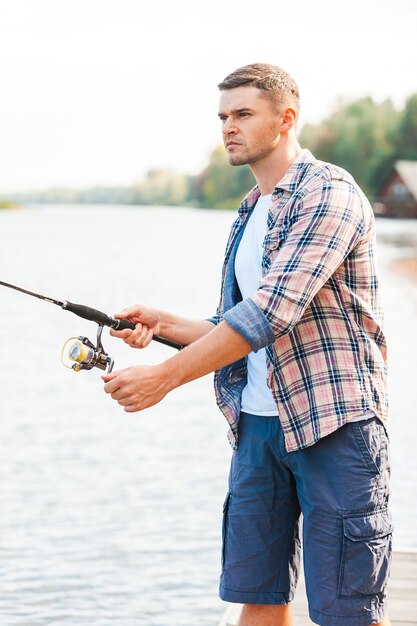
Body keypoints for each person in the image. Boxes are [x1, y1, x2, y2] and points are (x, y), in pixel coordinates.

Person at [102, 63, 392, 626]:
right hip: (259, 427)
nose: (228, 127)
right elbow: (232, 325)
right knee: (258, 594)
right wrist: (163, 323)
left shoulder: (329, 193)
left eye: (242, 114)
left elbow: (269, 315)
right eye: (222, 117)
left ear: (286, 119)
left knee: (347, 610)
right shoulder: (251, 208)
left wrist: (165, 377)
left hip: (336, 426)